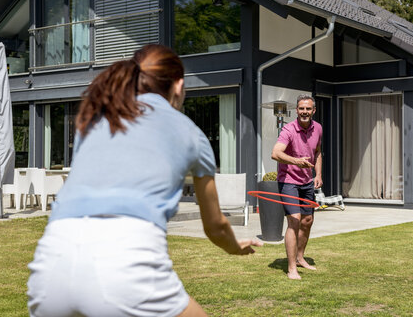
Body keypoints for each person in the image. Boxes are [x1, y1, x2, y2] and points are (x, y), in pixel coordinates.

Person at [27, 44, 262, 317]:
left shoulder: (94, 120)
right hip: (127, 259)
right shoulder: (190, 133)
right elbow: (216, 226)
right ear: (178, 85)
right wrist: (235, 246)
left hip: (51, 261)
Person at [271, 94, 322, 280]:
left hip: (307, 181)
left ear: (313, 111)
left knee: (307, 221)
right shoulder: (288, 129)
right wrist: (296, 162)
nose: (305, 112)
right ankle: (292, 268)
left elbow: (317, 152)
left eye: (308, 109)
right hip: (289, 181)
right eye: (301, 108)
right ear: (297, 110)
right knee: (294, 220)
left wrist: (319, 174)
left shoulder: (318, 129)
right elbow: (275, 153)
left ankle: (300, 257)